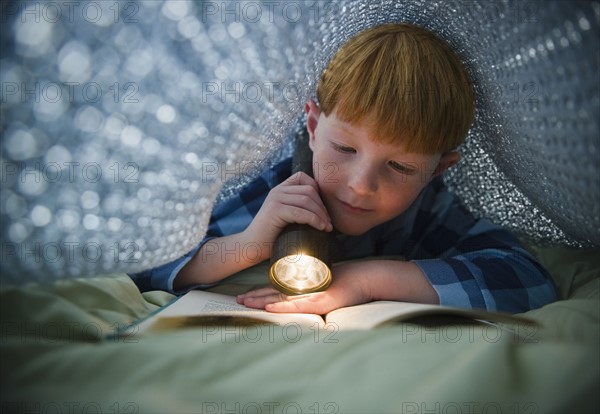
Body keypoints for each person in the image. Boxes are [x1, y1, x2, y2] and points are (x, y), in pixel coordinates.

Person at [130, 23, 558, 314]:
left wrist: (369, 280)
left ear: (438, 169)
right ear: (314, 127)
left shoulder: (429, 211)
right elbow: (144, 262)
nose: (360, 185)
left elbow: (527, 279)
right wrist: (250, 244)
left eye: (400, 167)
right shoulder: (280, 188)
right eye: (344, 148)